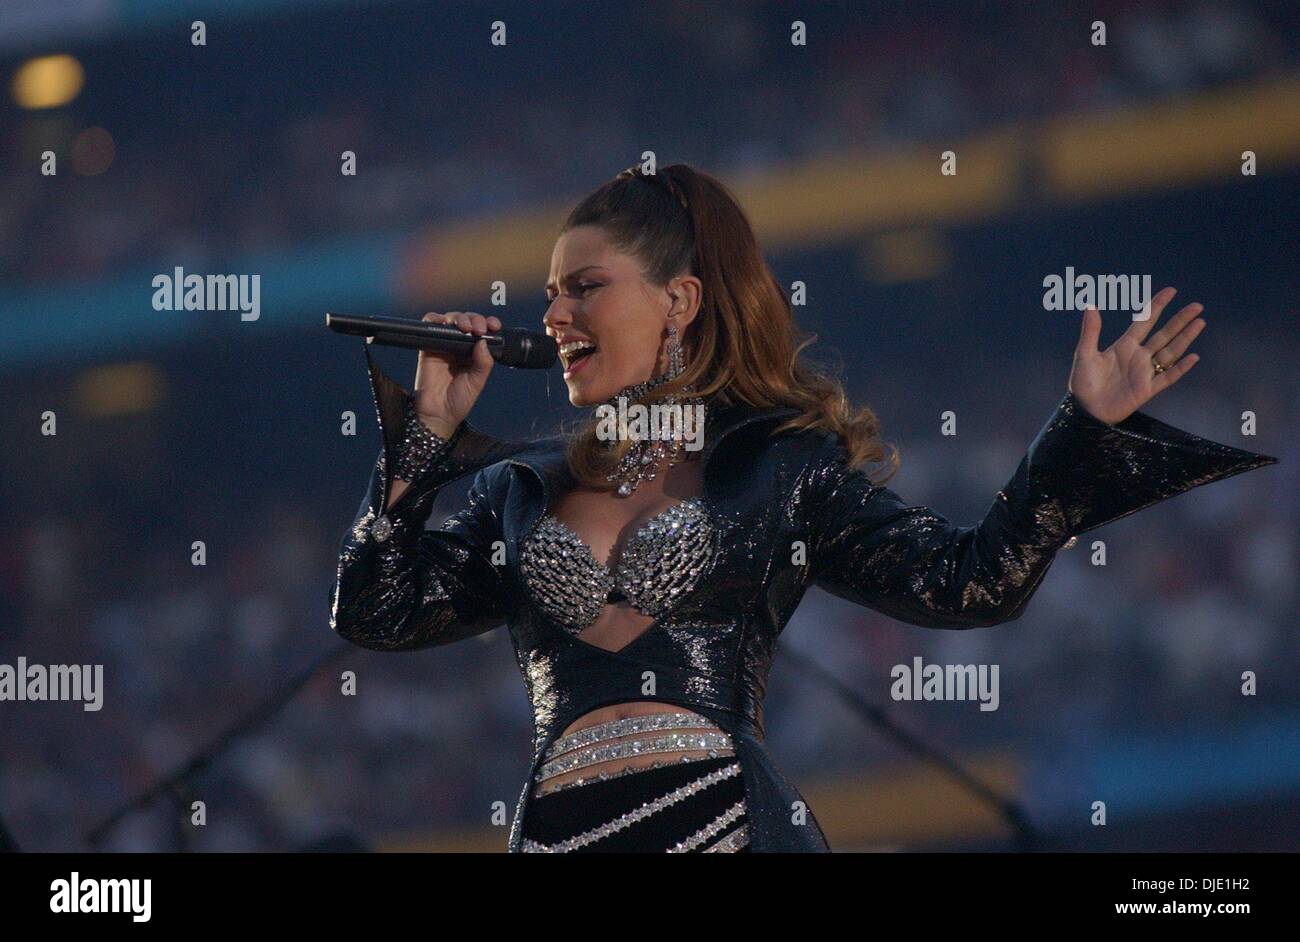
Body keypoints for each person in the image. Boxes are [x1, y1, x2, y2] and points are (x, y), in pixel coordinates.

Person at [329, 163, 1276, 852]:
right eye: (548, 296)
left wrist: (1080, 430)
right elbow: (375, 611)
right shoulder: (515, 487)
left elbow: (971, 581)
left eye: (585, 288)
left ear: (679, 300)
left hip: (728, 832)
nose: (557, 318)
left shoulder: (780, 468)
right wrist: (423, 438)